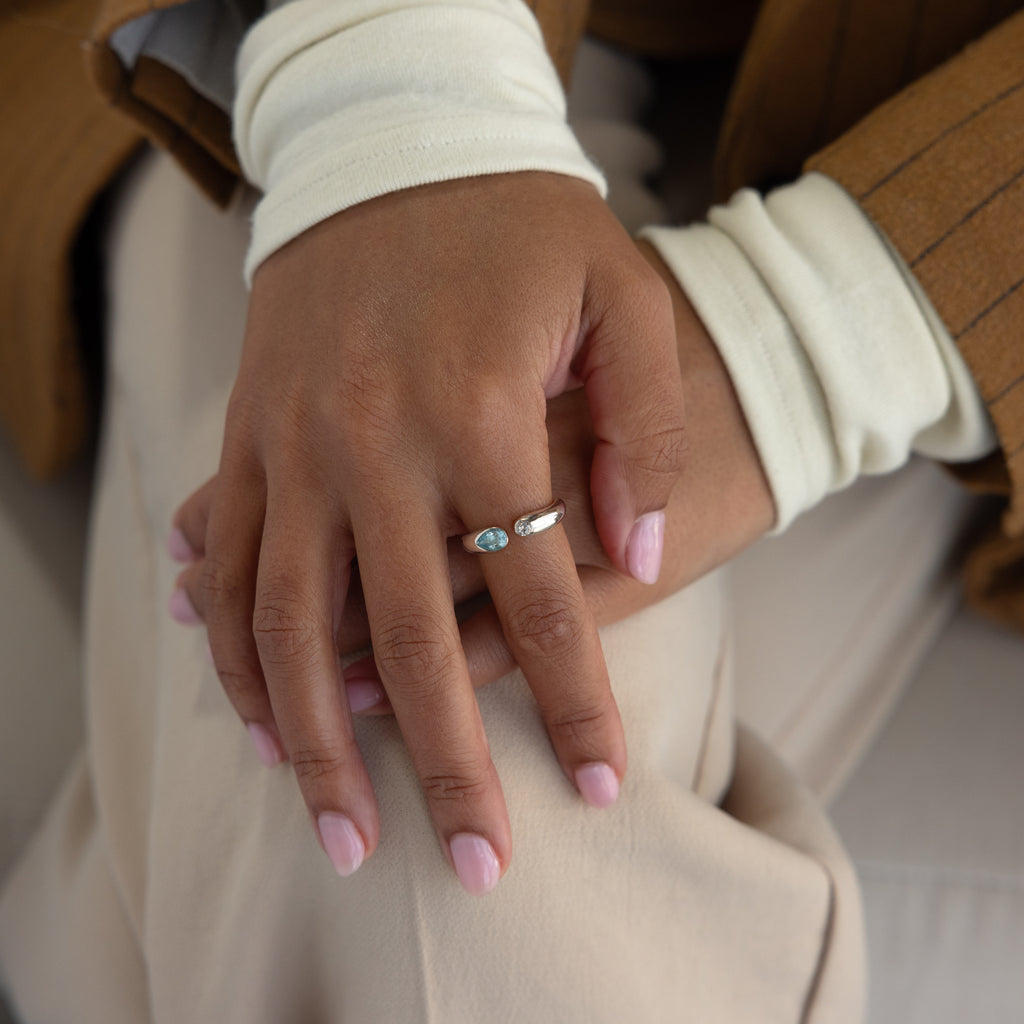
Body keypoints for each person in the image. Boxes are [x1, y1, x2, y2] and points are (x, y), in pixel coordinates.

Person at [0, 0, 1021, 1020]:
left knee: (420, 806)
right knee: (413, 800)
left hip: (928, 99)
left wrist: (812, 336)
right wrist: (387, 96)